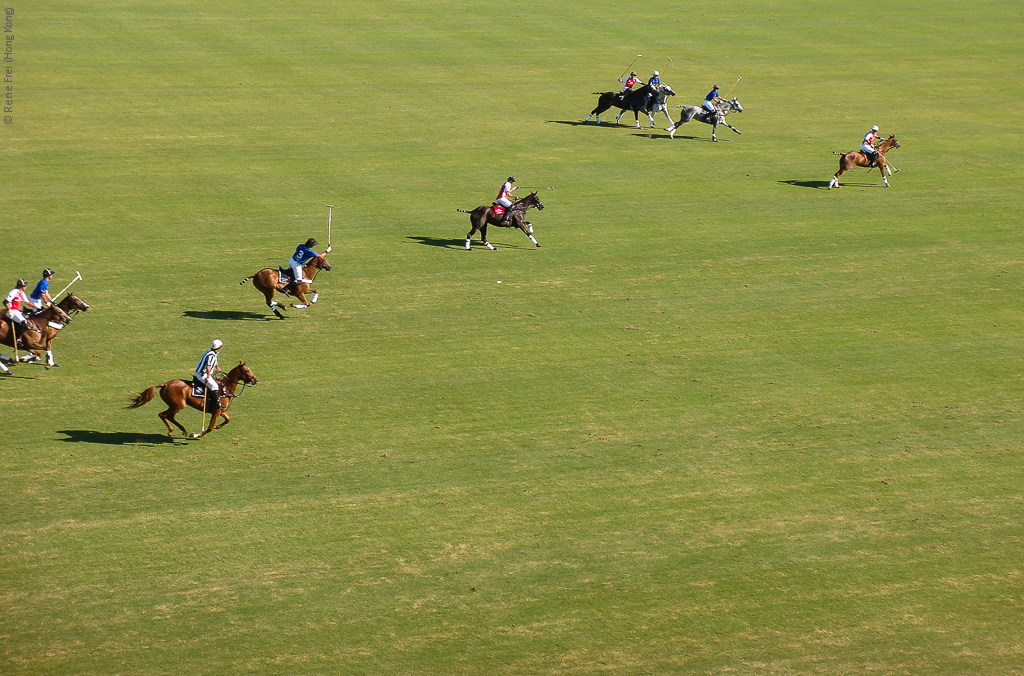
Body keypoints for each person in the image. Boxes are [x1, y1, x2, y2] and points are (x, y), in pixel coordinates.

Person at [4, 279, 39, 346]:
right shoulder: (14, 292)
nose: (26, 287)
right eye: (25, 285)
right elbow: (6, 302)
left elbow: (27, 302)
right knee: (24, 322)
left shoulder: (22, 293)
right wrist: (9, 310)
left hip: (17, 311)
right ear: (21, 286)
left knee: (29, 319)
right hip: (12, 311)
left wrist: (36, 307)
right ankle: (19, 339)